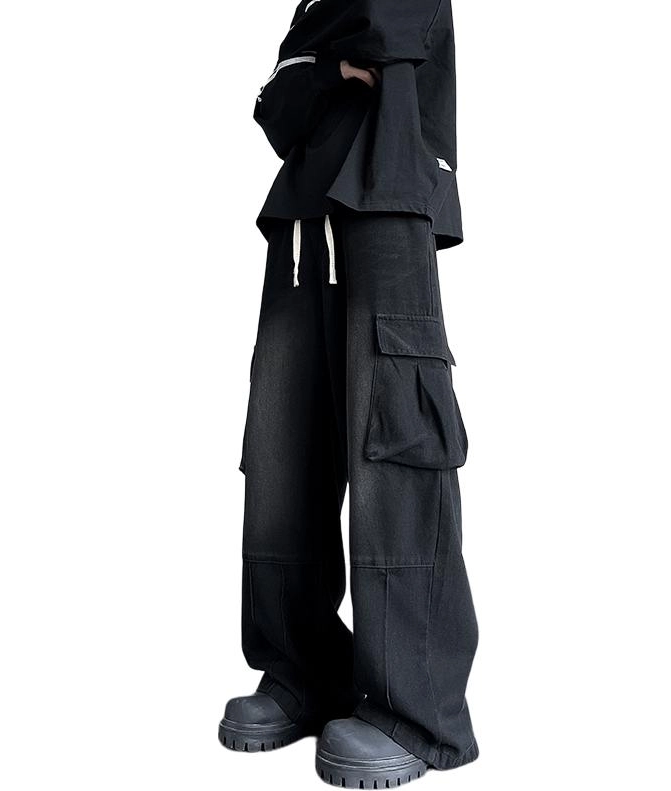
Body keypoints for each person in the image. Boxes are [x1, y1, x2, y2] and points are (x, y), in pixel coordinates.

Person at [220, 1, 478, 786]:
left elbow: (386, 34)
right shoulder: (313, 3)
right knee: (281, 450)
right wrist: (325, 67)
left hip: (387, 204)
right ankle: (302, 672)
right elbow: (274, 109)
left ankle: (414, 712)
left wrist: (312, 63)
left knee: (395, 445)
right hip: (301, 223)